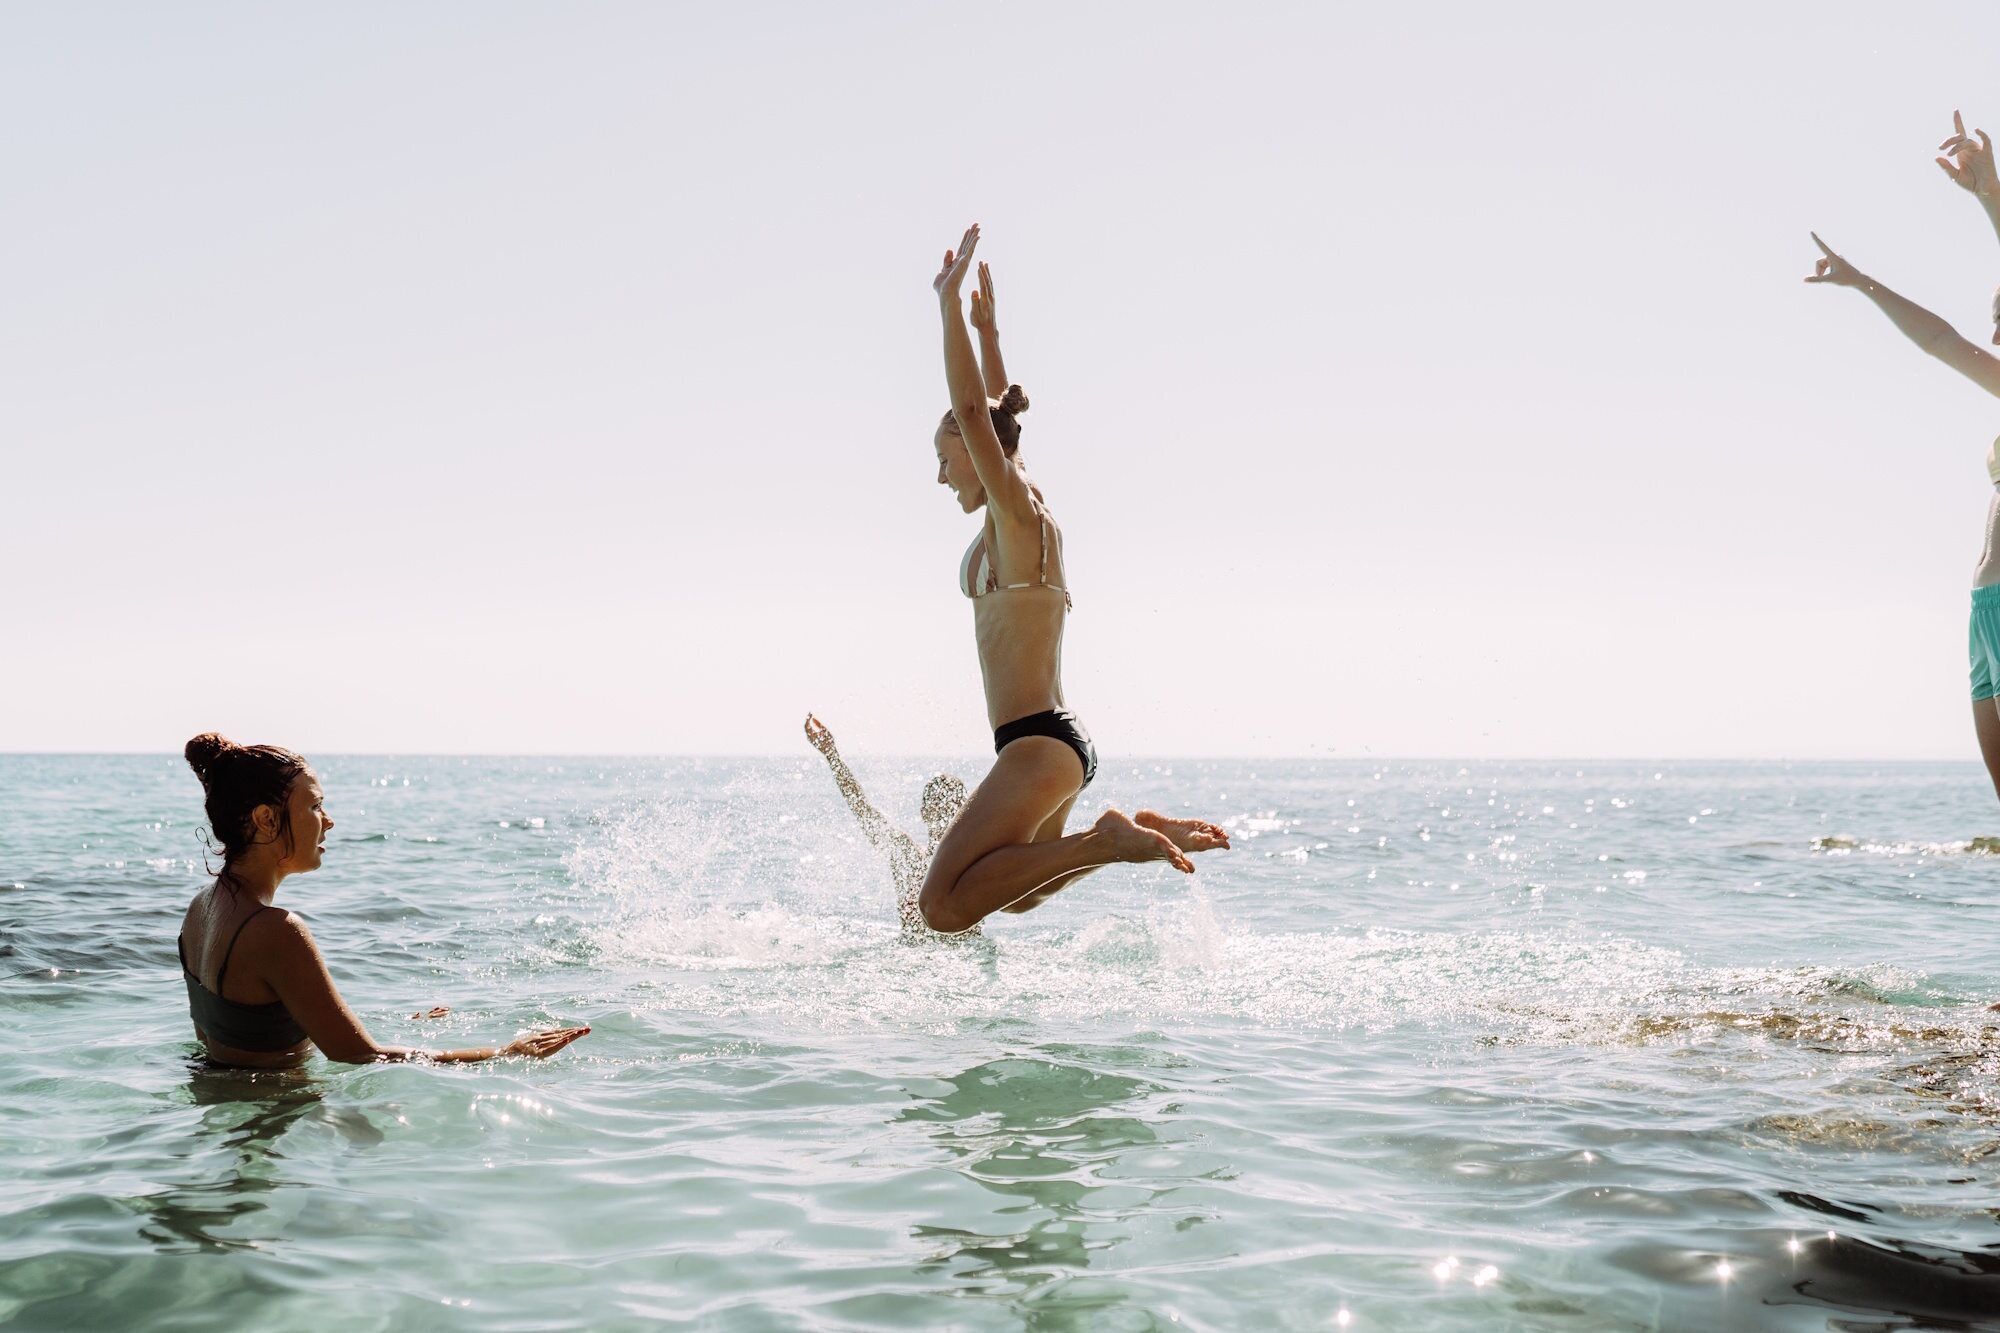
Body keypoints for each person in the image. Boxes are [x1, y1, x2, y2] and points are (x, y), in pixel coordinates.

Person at [916, 225, 1229, 935]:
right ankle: (1126, 831)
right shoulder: (1025, 508)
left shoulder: (1015, 515)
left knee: (940, 906)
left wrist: (946, 306)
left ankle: (1106, 840)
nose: (939, 474)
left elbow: (976, 412)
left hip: (1035, 744)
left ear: (976, 451)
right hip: (1054, 745)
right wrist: (989, 334)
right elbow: (997, 414)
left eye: (945, 458)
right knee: (1020, 889)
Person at [176, 732, 591, 1069]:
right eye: (316, 805)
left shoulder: (201, 910)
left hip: (220, 1109)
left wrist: (397, 1027)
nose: (329, 820)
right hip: (276, 1122)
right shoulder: (275, 930)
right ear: (266, 819)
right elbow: (359, 1056)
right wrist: (506, 1054)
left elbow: (232, 1040)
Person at [1807, 110, 2000, 804]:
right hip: (1986, 608)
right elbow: (1940, 341)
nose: (1994, 320)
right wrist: (1862, 283)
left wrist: (1991, 199)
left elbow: (1945, 338)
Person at [803, 713, 971, 938]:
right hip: (926, 958)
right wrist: (832, 756)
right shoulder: (908, 856)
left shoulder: (975, 860)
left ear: (964, 811)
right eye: (939, 804)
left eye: (951, 804)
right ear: (925, 812)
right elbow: (862, 808)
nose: (945, 810)